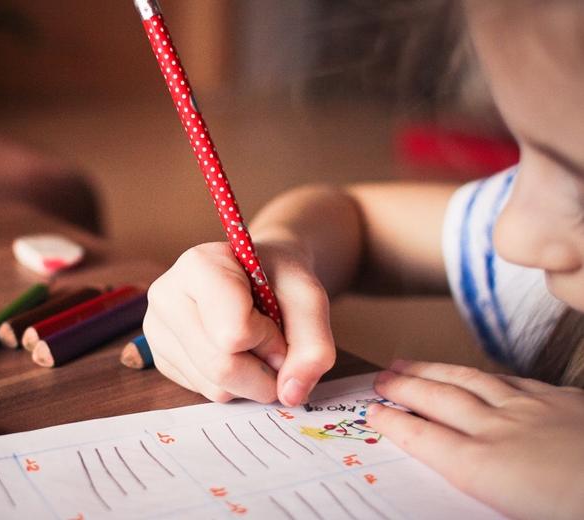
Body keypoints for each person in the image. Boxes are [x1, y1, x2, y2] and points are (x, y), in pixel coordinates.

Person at [142, 1, 584, 518]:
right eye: (522, 152)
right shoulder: (542, 240)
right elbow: (356, 219)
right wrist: (283, 253)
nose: (508, 235)